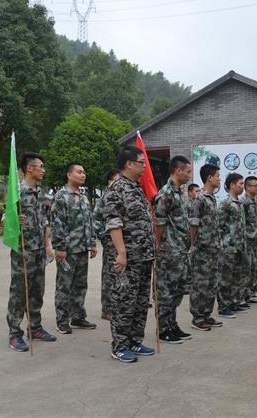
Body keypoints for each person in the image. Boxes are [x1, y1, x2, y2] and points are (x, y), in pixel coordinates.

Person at [102, 146, 156, 363]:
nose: (144, 166)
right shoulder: (117, 189)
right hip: (128, 259)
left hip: (143, 256)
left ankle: (134, 341)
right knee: (124, 302)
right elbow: (113, 223)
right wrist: (121, 253)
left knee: (141, 302)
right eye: (142, 162)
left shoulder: (136, 188)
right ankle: (120, 346)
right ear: (129, 164)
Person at [5, 152, 57, 352]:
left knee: (37, 291)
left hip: (39, 250)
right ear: (29, 168)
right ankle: (14, 333)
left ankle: (35, 328)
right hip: (23, 250)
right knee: (19, 292)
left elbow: (45, 221)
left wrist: (47, 245)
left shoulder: (42, 193)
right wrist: (13, 220)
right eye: (40, 166)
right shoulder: (16, 191)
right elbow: (5, 218)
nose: (43, 170)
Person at [51, 162, 98, 334]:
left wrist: (92, 243)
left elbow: (89, 222)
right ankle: (62, 320)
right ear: (69, 175)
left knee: (80, 285)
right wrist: (60, 247)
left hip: (82, 248)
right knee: (64, 285)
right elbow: (58, 223)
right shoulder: (61, 196)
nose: (83, 175)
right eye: (79, 172)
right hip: (68, 250)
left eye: (84, 172)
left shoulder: (83, 197)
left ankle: (77, 316)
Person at [154, 155, 193, 344]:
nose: (189, 175)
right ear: (178, 171)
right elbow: (159, 222)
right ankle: (163, 329)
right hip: (169, 251)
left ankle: (172, 324)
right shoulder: (166, 193)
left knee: (177, 290)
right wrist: (159, 245)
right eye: (187, 171)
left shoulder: (179, 192)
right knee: (166, 291)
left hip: (180, 250)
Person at [188, 164, 223, 331]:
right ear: (209, 178)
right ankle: (197, 317)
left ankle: (207, 314)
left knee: (211, 283)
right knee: (200, 284)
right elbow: (194, 224)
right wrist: (192, 245)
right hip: (202, 249)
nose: (219, 179)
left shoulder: (212, 198)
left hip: (213, 248)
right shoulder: (199, 198)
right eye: (217, 176)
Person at [92, 168, 120, 321]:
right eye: (117, 179)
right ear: (110, 181)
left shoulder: (122, 196)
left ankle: (119, 305)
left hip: (123, 243)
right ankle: (107, 309)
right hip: (111, 243)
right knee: (109, 275)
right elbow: (96, 219)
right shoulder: (105, 197)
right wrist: (105, 237)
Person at [217, 173, 246, 319]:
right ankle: (223, 307)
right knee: (225, 278)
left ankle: (234, 302)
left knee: (236, 276)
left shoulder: (239, 202)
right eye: (240, 184)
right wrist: (224, 243)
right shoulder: (225, 203)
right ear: (232, 185)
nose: (242, 186)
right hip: (228, 247)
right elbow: (220, 225)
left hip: (239, 246)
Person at [241, 176, 257, 306]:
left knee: (253, 268)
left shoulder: (254, 201)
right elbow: (242, 223)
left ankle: (250, 292)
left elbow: (256, 222)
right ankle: (244, 295)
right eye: (255, 186)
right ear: (248, 187)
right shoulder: (244, 202)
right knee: (246, 270)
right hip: (247, 240)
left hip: (254, 240)